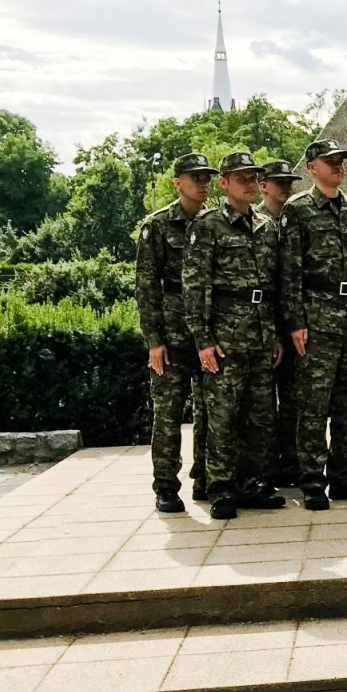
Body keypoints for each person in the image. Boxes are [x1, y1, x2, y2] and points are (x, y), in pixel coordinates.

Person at [182, 152, 287, 520]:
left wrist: (274, 334)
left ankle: (254, 484)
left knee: (261, 417)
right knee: (223, 417)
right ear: (224, 183)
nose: (249, 183)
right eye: (241, 178)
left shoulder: (265, 226)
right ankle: (221, 489)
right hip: (225, 338)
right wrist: (203, 339)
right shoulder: (208, 225)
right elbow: (195, 287)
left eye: (253, 177)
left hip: (260, 335)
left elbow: (273, 286)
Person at [280, 140, 347, 510]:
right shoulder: (298, 210)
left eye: (340, 161)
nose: (337, 165)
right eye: (330, 161)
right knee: (313, 404)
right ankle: (311, 480)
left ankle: (343, 476)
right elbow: (289, 271)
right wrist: (295, 321)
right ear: (312, 167)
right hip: (316, 316)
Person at [135, 153, 215, 513]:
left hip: (210, 335)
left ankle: (205, 478)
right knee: (168, 415)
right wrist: (154, 340)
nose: (202, 183)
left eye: (206, 177)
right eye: (195, 177)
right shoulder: (158, 225)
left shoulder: (215, 223)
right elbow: (146, 285)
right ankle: (166, 486)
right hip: (173, 334)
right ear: (177, 182)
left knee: (210, 413)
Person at [258, 159, 300, 487]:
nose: (286, 186)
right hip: (260, 324)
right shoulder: (255, 222)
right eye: (279, 182)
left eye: (289, 182)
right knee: (261, 402)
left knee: (293, 399)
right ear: (263, 186)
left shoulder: (296, 219)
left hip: (294, 323)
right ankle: (264, 467)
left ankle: (291, 462)